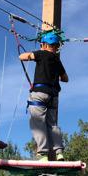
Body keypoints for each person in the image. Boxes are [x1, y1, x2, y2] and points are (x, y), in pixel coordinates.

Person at [19, 32, 69, 161]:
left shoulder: (42, 53)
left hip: (40, 94)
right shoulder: (57, 60)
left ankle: (43, 153)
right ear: (56, 46)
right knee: (52, 125)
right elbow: (65, 78)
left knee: (38, 123)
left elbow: (22, 56)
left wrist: (38, 52)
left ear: (45, 45)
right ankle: (59, 152)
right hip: (53, 96)